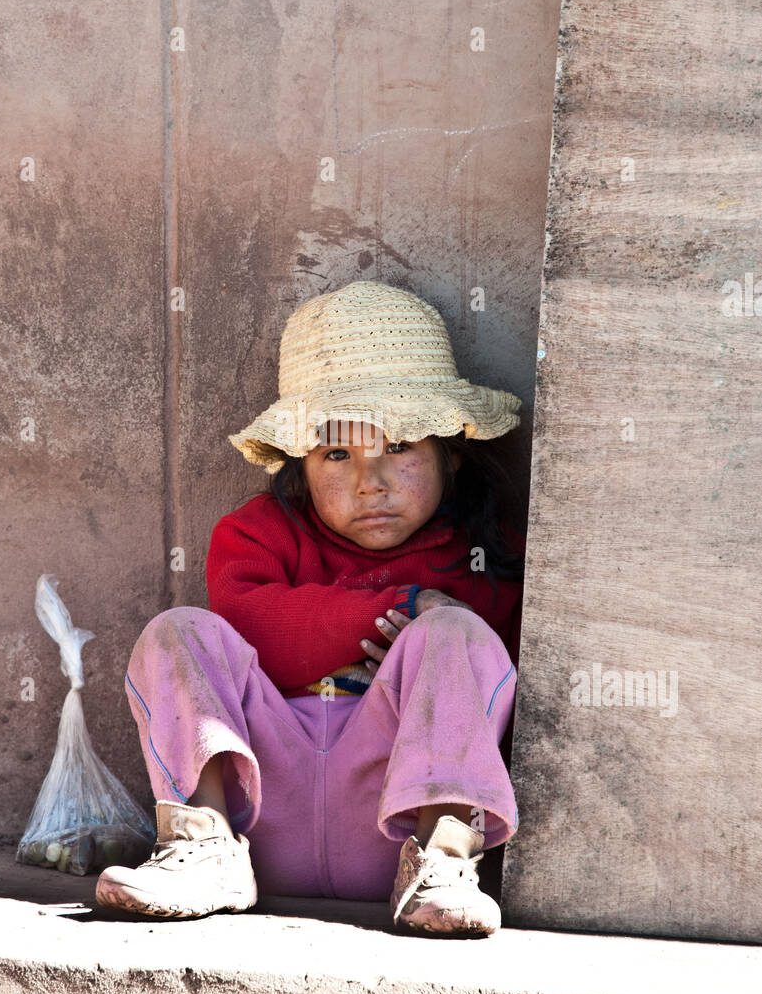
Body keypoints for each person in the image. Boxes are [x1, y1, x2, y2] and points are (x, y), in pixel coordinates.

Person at [96, 280, 526, 937]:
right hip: (262, 820)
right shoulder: (258, 534)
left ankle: (443, 859)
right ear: (298, 464)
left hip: (389, 831)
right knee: (176, 631)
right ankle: (199, 844)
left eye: (399, 447)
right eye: (336, 454)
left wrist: (433, 632)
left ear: (451, 452)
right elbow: (250, 625)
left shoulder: (484, 556)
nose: (370, 482)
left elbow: (497, 672)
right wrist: (395, 610)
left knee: (455, 632)